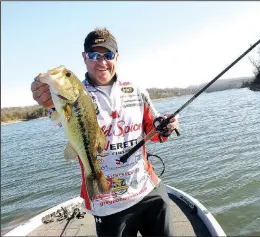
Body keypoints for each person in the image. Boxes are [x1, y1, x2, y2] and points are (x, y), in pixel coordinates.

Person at [30, 27, 179, 237]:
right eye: (94, 55)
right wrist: (43, 93)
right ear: (84, 58)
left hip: (149, 191)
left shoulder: (135, 90)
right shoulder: (70, 96)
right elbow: (53, 110)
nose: (101, 61)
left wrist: (165, 127)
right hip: (106, 202)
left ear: (117, 57)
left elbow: (153, 132)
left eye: (108, 55)